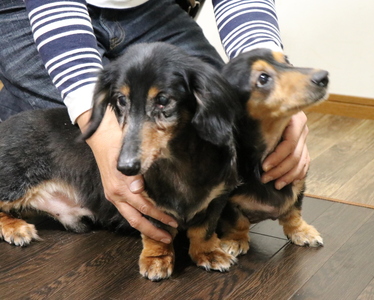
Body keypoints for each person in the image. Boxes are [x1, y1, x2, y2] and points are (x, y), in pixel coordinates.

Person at [0, 0, 311, 245]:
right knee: (69, 137)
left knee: (224, 125)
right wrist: (97, 125)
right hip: (27, 9)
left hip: (147, 7)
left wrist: (272, 85)